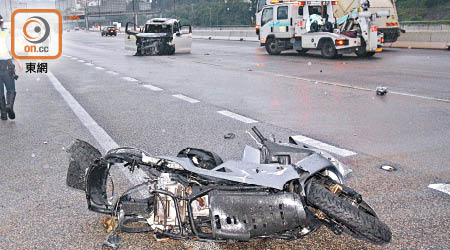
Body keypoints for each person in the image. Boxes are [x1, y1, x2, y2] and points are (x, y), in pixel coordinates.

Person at [0, 14, 23, 120]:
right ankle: (9, 106)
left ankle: (3, 114)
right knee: (11, 89)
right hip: (6, 66)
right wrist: (19, 62)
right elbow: (12, 50)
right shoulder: (5, 34)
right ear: (2, 23)